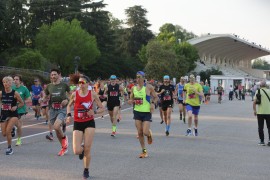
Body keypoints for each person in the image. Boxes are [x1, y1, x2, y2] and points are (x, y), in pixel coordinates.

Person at [67, 75, 104, 179]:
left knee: (88, 148)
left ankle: (86, 170)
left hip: (89, 123)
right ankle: (81, 149)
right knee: (76, 151)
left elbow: (102, 108)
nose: (81, 84)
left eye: (83, 82)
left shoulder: (92, 94)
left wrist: (95, 111)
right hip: (78, 123)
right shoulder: (74, 94)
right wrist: (69, 115)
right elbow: (69, 106)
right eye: (79, 83)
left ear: (88, 84)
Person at [129, 71, 158, 158]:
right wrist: (130, 101)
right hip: (137, 112)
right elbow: (131, 98)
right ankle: (144, 151)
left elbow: (156, 97)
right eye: (136, 77)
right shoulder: (133, 88)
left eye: (139, 77)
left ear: (143, 78)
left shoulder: (148, 87)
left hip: (146, 112)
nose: (137, 79)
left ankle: (149, 134)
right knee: (140, 132)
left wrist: (152, 103)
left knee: (145, 132)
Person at [42, 69, 70, 156]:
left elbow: (71, 95)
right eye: (52, 75)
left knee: (56, 126)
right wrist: (43, 99)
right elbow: (45, 96)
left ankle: (65, 139)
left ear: (59, 75)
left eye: (55, 74)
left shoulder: (64, 85)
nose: (53, 76)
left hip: (62, 109)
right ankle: (63, 147)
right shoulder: (49, 86)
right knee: (57, 130)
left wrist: (67, 100)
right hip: (52, 109)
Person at [0, 76, 24, 155]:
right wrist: (1, 105)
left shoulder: (15, 93)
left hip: (13, 114)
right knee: (4, 133)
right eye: (4, 82)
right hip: (4, 114)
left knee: (7, 132)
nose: (5, 84)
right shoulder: (1, 93)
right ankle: (13, 129)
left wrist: (16, 107)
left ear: (11, 83)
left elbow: (22, 103)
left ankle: (9, 148)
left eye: (7, 82)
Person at [12, 74, 31, 146]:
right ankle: (12, 128)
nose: (15, 81)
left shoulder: (24, 89)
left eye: (17, 79)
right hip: (12, 109)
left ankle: (19, 139)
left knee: (19, 125)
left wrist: (22, 102)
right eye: (14, 79)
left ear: (20, 81)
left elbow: (29, 99)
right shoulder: (12, 88)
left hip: (20, 109)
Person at [253, 80, 270, 146]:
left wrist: (254, 110)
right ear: (266, 85)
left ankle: (262, 141)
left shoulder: (258, 91)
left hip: (260, 113)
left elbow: (254, 102)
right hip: (269, 112)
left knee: (260, 127)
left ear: (260, 85)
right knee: (269, 127)